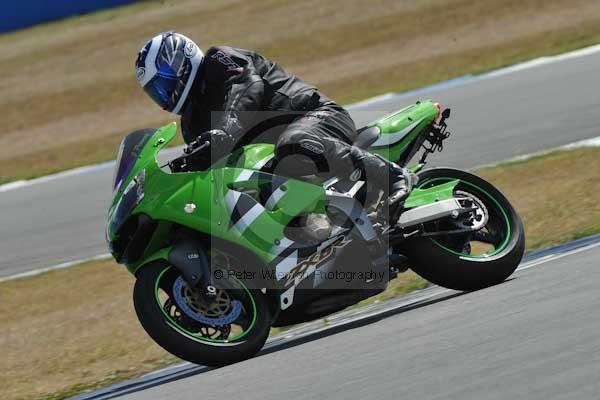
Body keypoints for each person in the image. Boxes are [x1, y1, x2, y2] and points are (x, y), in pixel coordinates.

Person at [134, 31, 416, 219]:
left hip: (315, 116)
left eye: (164, 83)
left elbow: (248, 87)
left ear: (181, 61)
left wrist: (225, 130)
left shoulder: (218, 59)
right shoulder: (192, 124)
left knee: (293, 141)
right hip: (279, 159)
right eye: (155, 91)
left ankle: (390, 176)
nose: (163, 95)